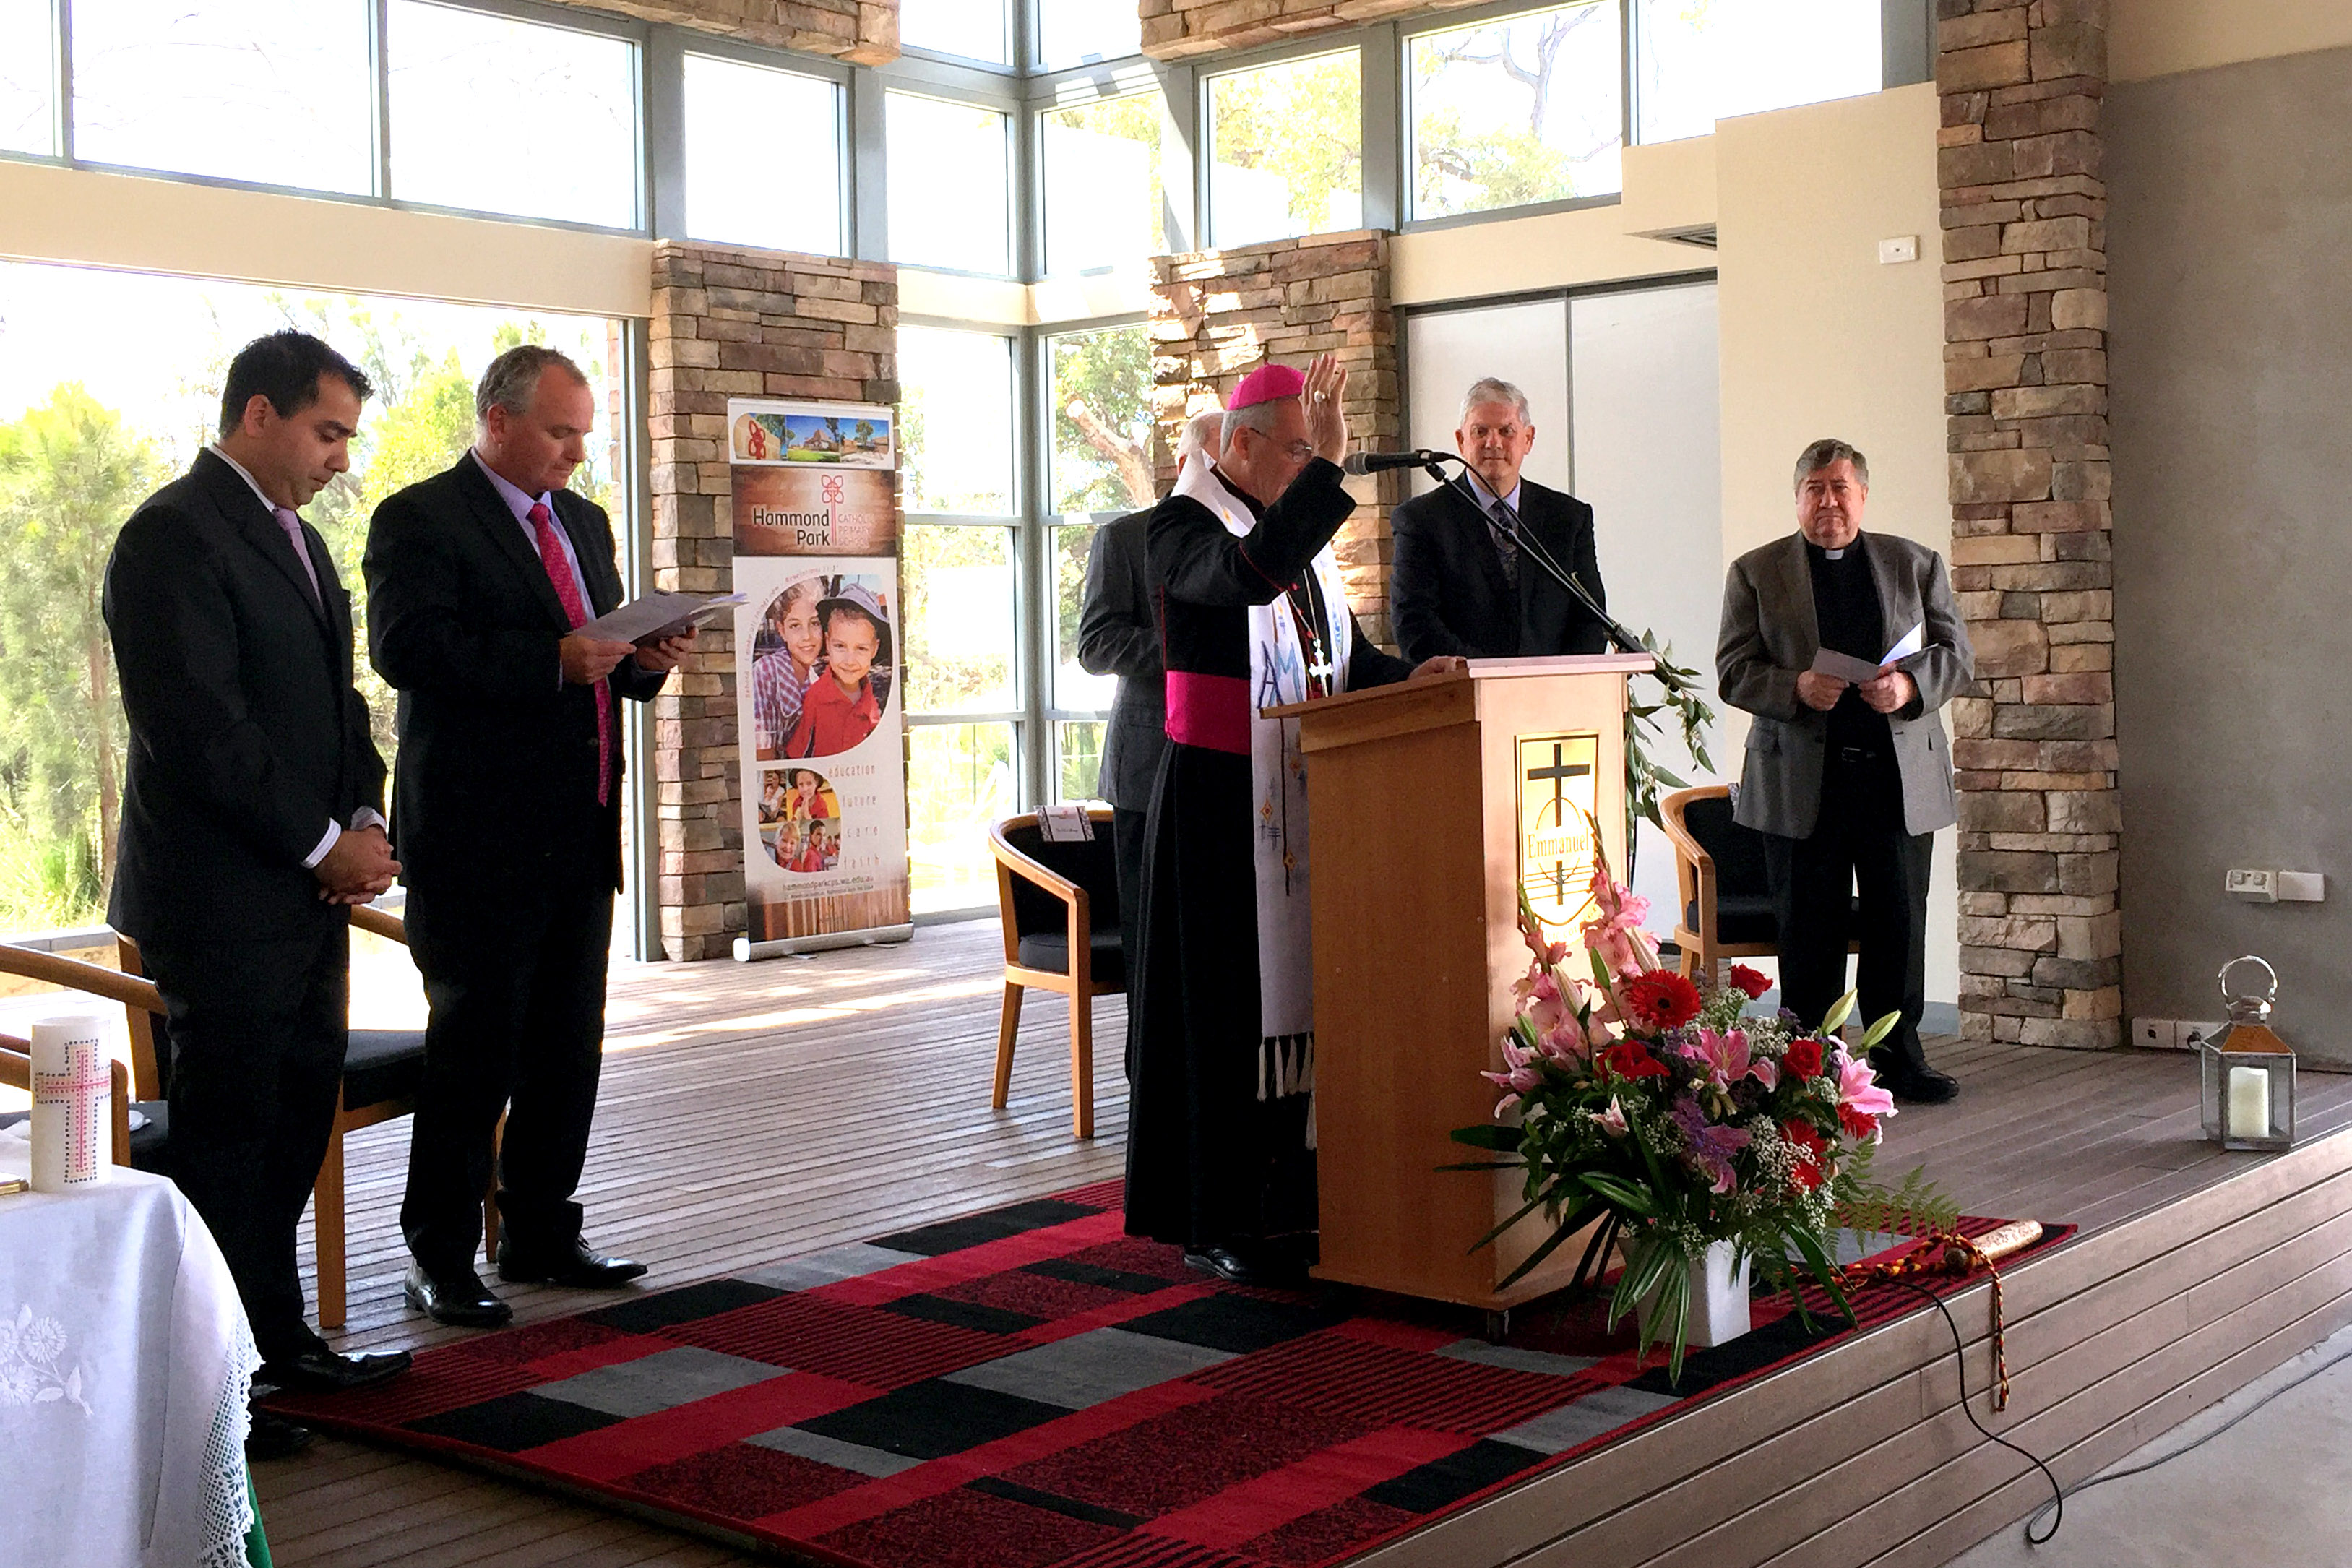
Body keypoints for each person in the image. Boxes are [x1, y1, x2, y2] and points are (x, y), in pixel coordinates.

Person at [104, 330, 413, 1449]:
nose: (340, 459)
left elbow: (336, 707)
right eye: (328, 433)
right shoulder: (171, 536)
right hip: (220, 900)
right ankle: (213, 1394)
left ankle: (277, 1345)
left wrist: (366, 815)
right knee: (225, 1142)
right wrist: (321, 839)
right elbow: (195, 727)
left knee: (292, 1124)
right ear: (257, 415)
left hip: (305, 897)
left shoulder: (299, 544)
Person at [366, 345, 690, 1327]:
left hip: (580, 829)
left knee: (566, 1046)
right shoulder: (419, 518)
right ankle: (441, 1255)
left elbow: (610, 668)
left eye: (584, 432)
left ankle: (543, 1230)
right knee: (474, 1051)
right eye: (559, 431)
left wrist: (648, 658)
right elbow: (406, 650)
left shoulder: (583, 523)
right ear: (497, 421)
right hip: (478, 840)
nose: (575, 452)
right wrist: (549, 660)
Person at [1125, 356, 1463, 1285]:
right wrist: (1333, 476)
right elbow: (1242, 579)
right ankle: (1216, 1212)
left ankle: (1295, 1195)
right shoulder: (1179, 528)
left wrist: (1409, 677)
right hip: (1214, 811)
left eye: (1313, 454)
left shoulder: (1295, 542)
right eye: (1300, 451)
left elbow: (1336, 656)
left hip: (1309, 803)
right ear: (1241, 445)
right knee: (1227, 1015)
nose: (1311, 465)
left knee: (1304, 1011)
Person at [1716, 439, 1975, 1103]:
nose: (1827, 501)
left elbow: (1956, 656)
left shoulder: (1914, 564)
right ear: (1796, 497)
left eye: (1839, 488)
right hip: (1803, 781)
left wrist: (1909, 688)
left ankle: (1898, 1057)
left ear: (1862, 495)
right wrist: (1794, 687)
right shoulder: (1755, 571)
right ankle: (1808, 1064)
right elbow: (1733, 670)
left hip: (1894, 781)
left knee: (1897, 923)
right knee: (1808, 929)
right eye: (1813, 489)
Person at [1079, 406, 1223, 989]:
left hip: (1229, 768)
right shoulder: (1125, 537)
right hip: (1147, 769)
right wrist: (1187, 646)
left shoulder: (1250, 545)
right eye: (1219, 459)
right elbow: (1095, 645)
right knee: (1151, 946)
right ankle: (1146, 1079)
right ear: (1186, 463)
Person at [1390, 376, 1611, 663]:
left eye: (1506, 431)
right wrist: (1493, 677)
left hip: (1555, 697)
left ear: (1528, 439)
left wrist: (1552, 681)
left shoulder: (1568, 518)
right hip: (1463, 694)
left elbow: (1590, 618)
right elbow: (1415, 624)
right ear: (1461, 440)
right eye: (1480, 431)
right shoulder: (1421, 520)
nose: (1492, 443)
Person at [782, 585, 887, 757]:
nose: (850, 661)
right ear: (828, 642)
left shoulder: (874, 703)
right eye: (840, 646)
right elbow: (797, 755)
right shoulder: (815, 698)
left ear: (874, 649)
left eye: (861, 648)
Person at [751, 578, 825, 759]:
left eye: (814, 623)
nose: (806, 636)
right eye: (795, 626)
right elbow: (762, 756)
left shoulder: (816, 681)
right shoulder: (765, 673)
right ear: (782, 630)